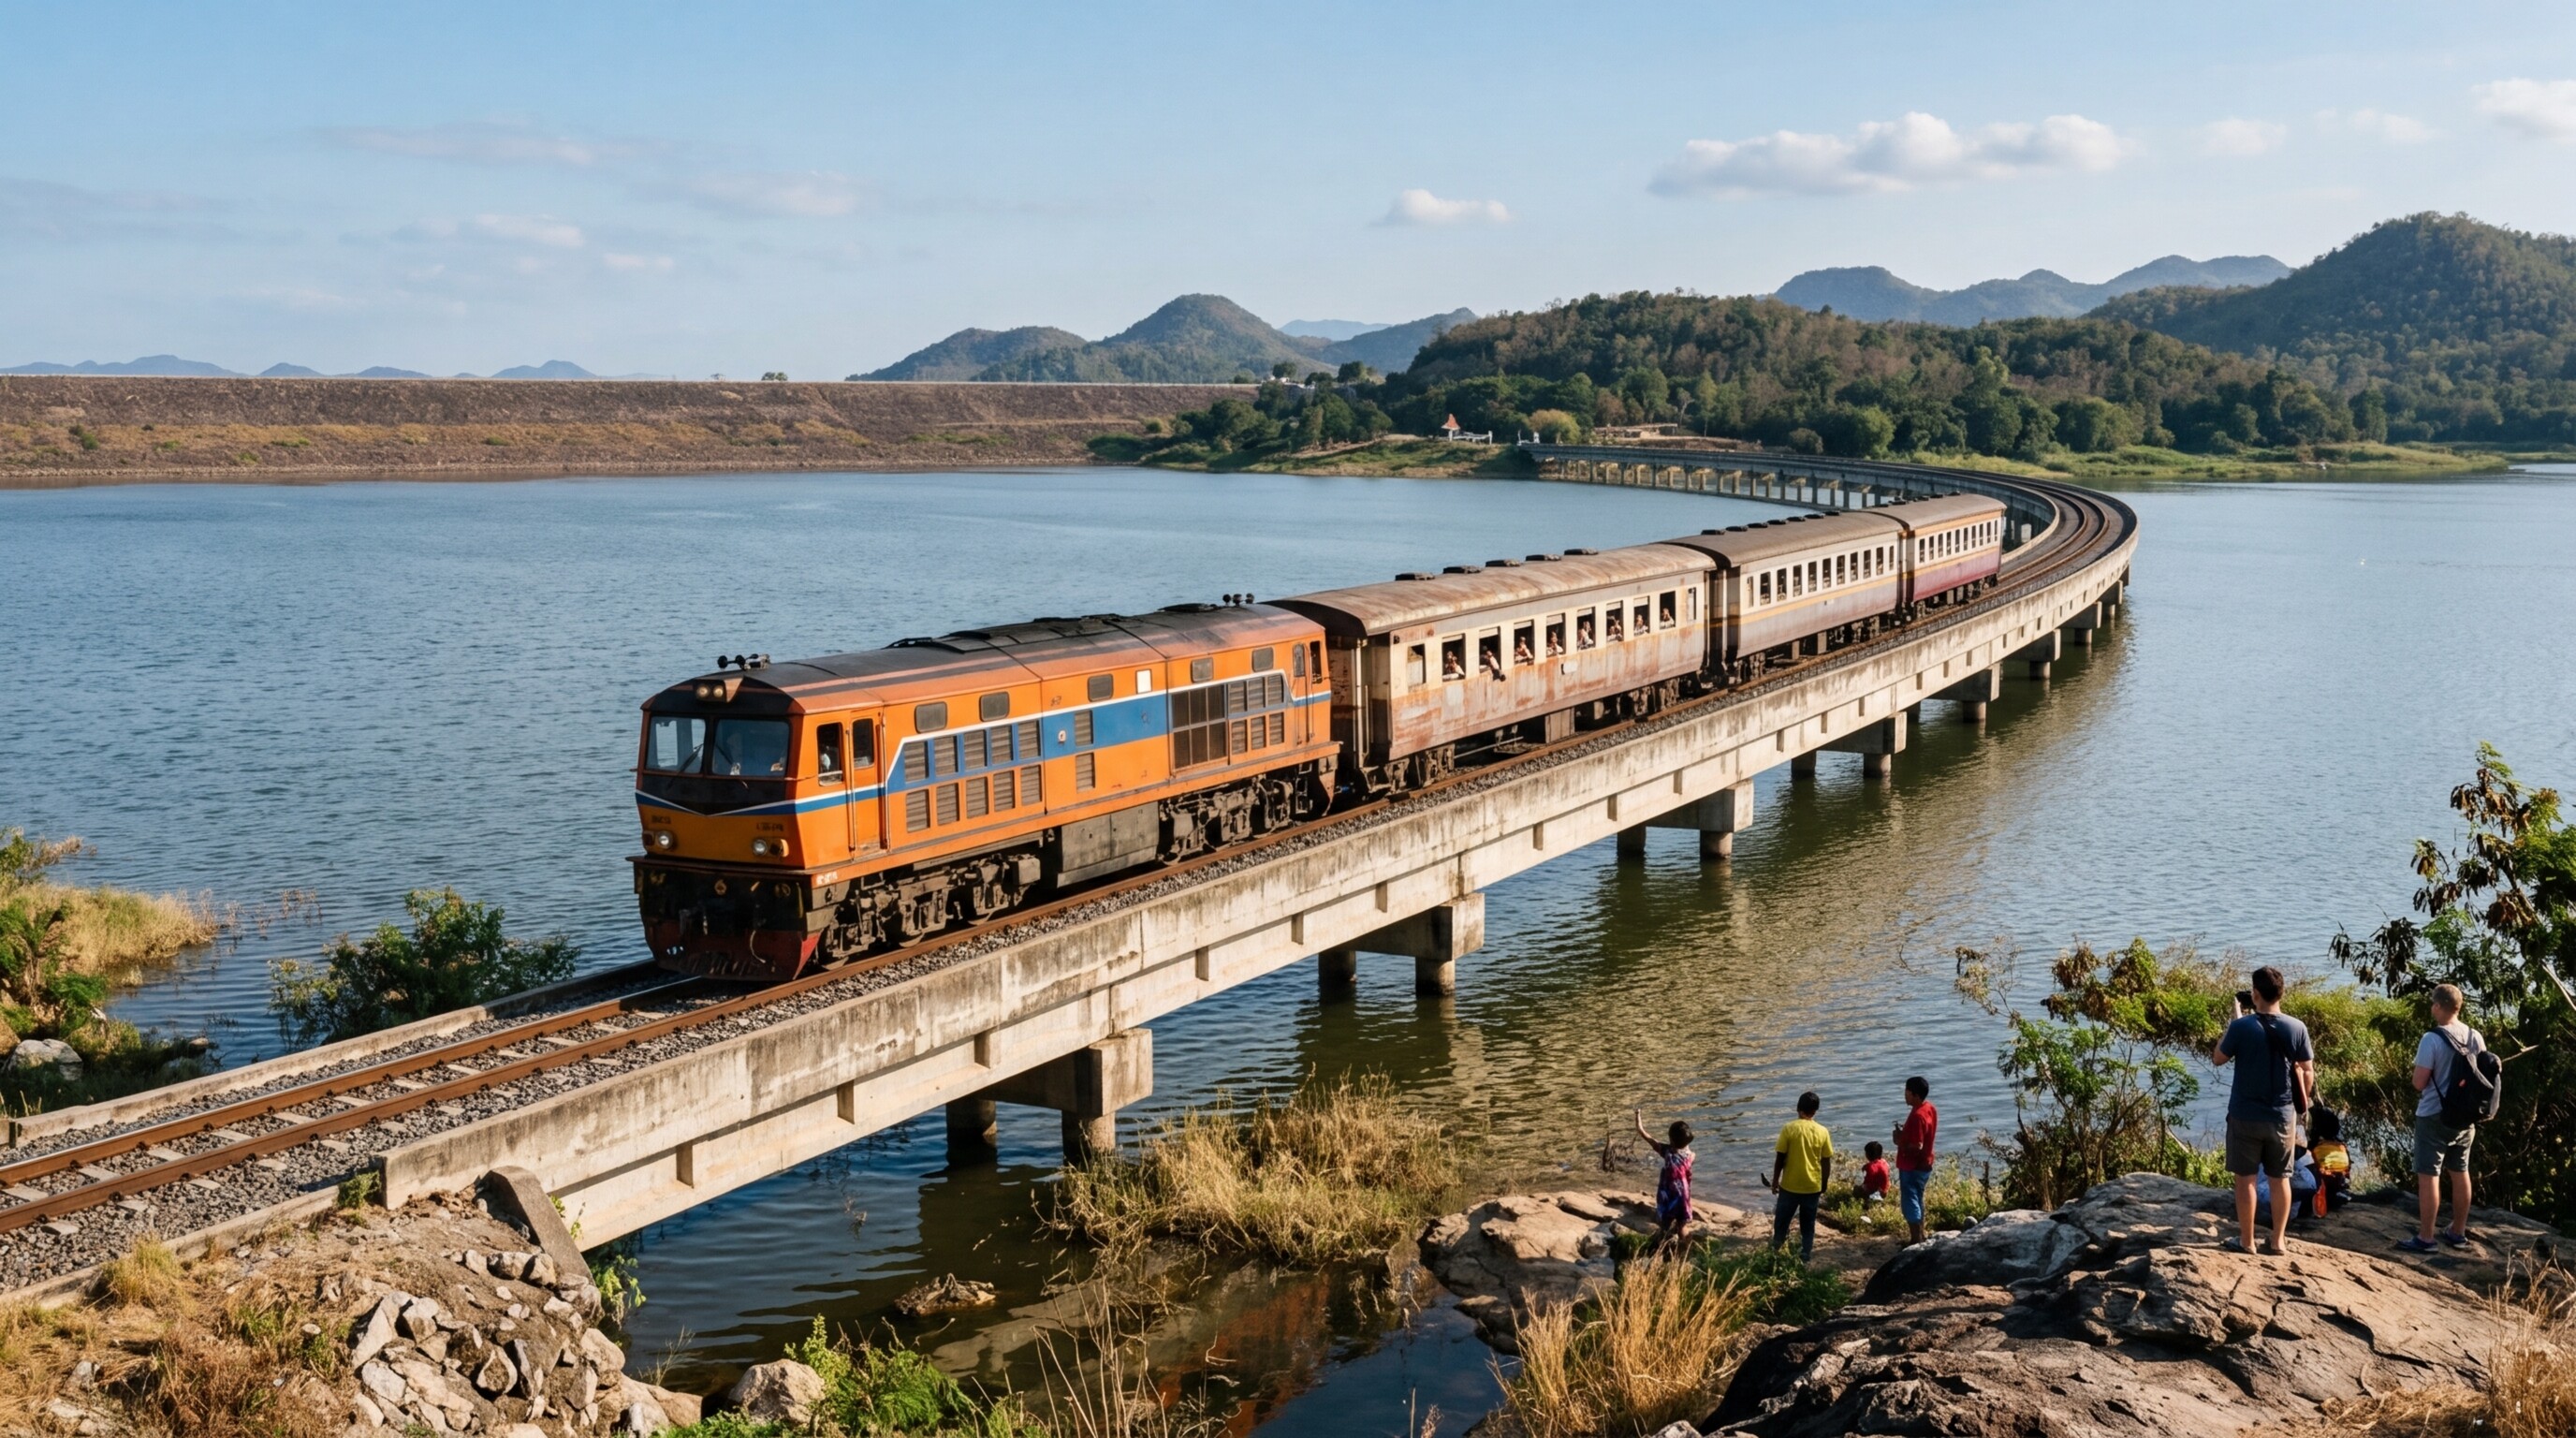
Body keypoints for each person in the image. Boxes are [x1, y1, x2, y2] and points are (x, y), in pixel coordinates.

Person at [2212, 965, 2316, 1256]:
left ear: (2255, 994)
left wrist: (2234, 1020)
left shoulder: (2241, 1027)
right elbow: (2308, 1072)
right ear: (2281, 993)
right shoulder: (2297, 1027)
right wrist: (2301, 1102)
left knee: (2245, 1179)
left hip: (2245, 1114)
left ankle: (2246, 1241)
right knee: (2280, 1178)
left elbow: (2218, 1058)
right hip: (2282, 1116)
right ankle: (2278, 1241)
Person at [2401, 984, 2485, 1254]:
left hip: (2433, 1116)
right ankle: (2457, 1232)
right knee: (2461, 1172)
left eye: (2432, 1004)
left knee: (2429, 1176)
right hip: (2465, 1117)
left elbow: (2419, 1082)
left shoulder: (2431, 1039)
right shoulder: (2475, 1036)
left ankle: (2426, 1238)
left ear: (2438, 1006)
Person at [1767, 1091, 1833, 1262]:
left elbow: (1780, 1158)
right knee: (1808, 1224)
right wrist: (1824, 1183)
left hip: (1790, 1186)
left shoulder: (1789, 1128)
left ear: (1798, 1108)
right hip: (1812, 1186)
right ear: (1816, 1111)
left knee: (1782, 1220)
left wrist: (1775, 1180)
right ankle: (1805, 1254)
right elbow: (1826, 1161)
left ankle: (1776, 1249)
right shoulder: (1822, 1131)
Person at [1634, 1108, 1695, 1251]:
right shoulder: (1690, 1156)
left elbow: (1645, 1135)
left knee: (1665, 1224)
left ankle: (1661, 1248)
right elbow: (1688, 1150)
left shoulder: (1667, 1152)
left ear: (1671, 1140)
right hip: (1683, 1196)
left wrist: (1638, 1117)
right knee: (1682, 1225)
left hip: (1668, 1195)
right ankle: (1686, 1249)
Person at [1893, 1076, 1939, 1244]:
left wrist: (1900, 1142)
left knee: (1910, 1201)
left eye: (1907, 1092)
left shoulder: (1917, 1115)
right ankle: (1921, 1234)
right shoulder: (1929, 1108)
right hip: (1925, 1163)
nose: (1905, 1095)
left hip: (1912, 1165)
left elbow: (1917, 1145)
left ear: (1916, 1095)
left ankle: (1915, 1240)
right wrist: (1905, 1134)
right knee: (1917, 1198)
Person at [1859, 1142, 1891, 1207]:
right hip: (1885, 1189)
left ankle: (1870, 1200)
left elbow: (1868, 1182)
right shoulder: (1884, 1162)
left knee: (1857, 1190)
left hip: (1878, 1192)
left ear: (1868, 1155)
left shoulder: (1872, 1167)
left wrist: (1862, 1187)